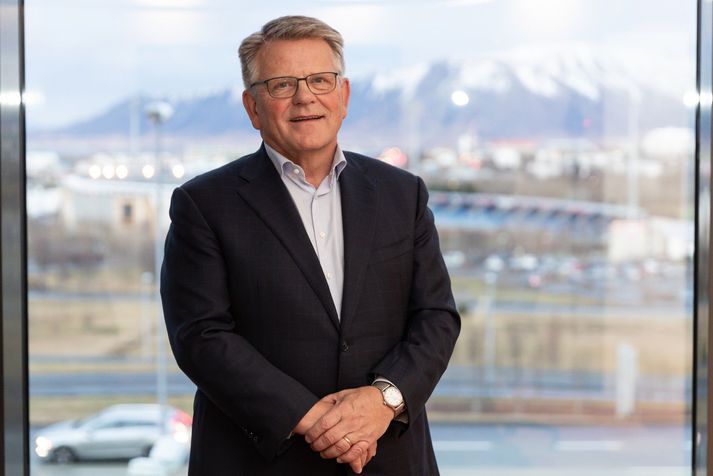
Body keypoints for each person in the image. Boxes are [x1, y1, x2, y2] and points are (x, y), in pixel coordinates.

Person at [161, 15, 460, 476]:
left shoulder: (403, 194)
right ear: (252, 107)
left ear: (344, 95)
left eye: (321, 80)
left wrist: (383, 401)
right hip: (259, 463)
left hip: (390, 457)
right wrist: (319, 421)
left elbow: (436, 317)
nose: (305, 97)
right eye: (282, 85)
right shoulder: (203, 204)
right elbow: (200, 336)